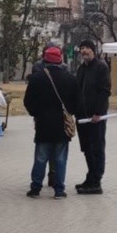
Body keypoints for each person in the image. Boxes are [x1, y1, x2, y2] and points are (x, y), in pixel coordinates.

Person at [24, 46, 78, 199]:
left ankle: (35, 188)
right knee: (60, 159)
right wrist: (69, 113)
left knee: (41, 158)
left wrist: (36, 114)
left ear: (45, 60)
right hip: (62, 126)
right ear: (61, 60)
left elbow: (28, 101)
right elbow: (76, 103)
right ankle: (59, 190)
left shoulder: (36, 78)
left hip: (43, 125)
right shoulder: (70, 79)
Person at [74, 40, 110, 195]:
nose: (84, 51)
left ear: (93, 50)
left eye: (87, 48)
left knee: (96, 148)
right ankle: (90, 177)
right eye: (82, 48)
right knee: (87, 148)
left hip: (96, 117)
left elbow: (105, 91)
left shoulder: (101, 67)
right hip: (82, 117)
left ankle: (96, 181)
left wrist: (98, 112)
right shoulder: (81, 68)